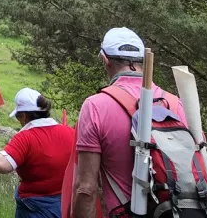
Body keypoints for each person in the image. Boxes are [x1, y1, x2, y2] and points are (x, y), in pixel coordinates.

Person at [72, 27, 191, 218]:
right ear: (144, 62)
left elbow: (85, 189)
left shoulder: (95, 106)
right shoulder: (176, 104)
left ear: (105, 59)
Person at [0, 88, 76, 218]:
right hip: (65, 205)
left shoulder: (25, 137)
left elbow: (2, 165)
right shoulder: (70, 133)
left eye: (18, 116)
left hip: (33, 208)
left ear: (24, 116)